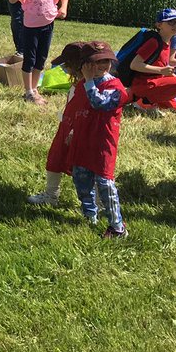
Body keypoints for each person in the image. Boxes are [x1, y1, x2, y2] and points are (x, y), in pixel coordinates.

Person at [68, 41, 130, 239]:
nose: (102, 66)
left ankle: (117, 226)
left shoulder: (116, 87)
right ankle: (89, 214)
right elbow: (76, 108)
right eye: (96, 62)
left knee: (104, 182)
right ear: (85, 64)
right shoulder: (83, 84)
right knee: (81, 178)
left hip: (102, 142)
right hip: (83, 139)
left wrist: (88, 81)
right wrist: (71, 130)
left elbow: (99, 103)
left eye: (106, 61)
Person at [26, 41, 90, 206]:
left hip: (78, 132)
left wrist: (74, 131)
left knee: (86, 167)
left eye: (66, 65)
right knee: (55, 159)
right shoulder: (77, 84)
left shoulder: (88, 88)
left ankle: (96, 202)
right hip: (66, 126)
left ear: (76, 66)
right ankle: (51, 195)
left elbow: (86, 115)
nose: (64, 68)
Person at [8, 0, 69, 104]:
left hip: (48, 24)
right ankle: (28, 91)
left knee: (41, 59)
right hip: (30, 27)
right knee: (30, 58)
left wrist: (63, 7)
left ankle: (34, 89)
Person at [118, 9, 176, 110]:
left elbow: (160, 64)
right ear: (159, 25)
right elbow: (135, 65)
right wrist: (161, 70)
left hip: (154, 82)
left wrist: (169, 74)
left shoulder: (168, 42)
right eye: (171, 22)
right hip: (145, 84)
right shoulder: (153, 42)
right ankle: (142, 101)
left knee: (175, 108)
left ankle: (139, 99)